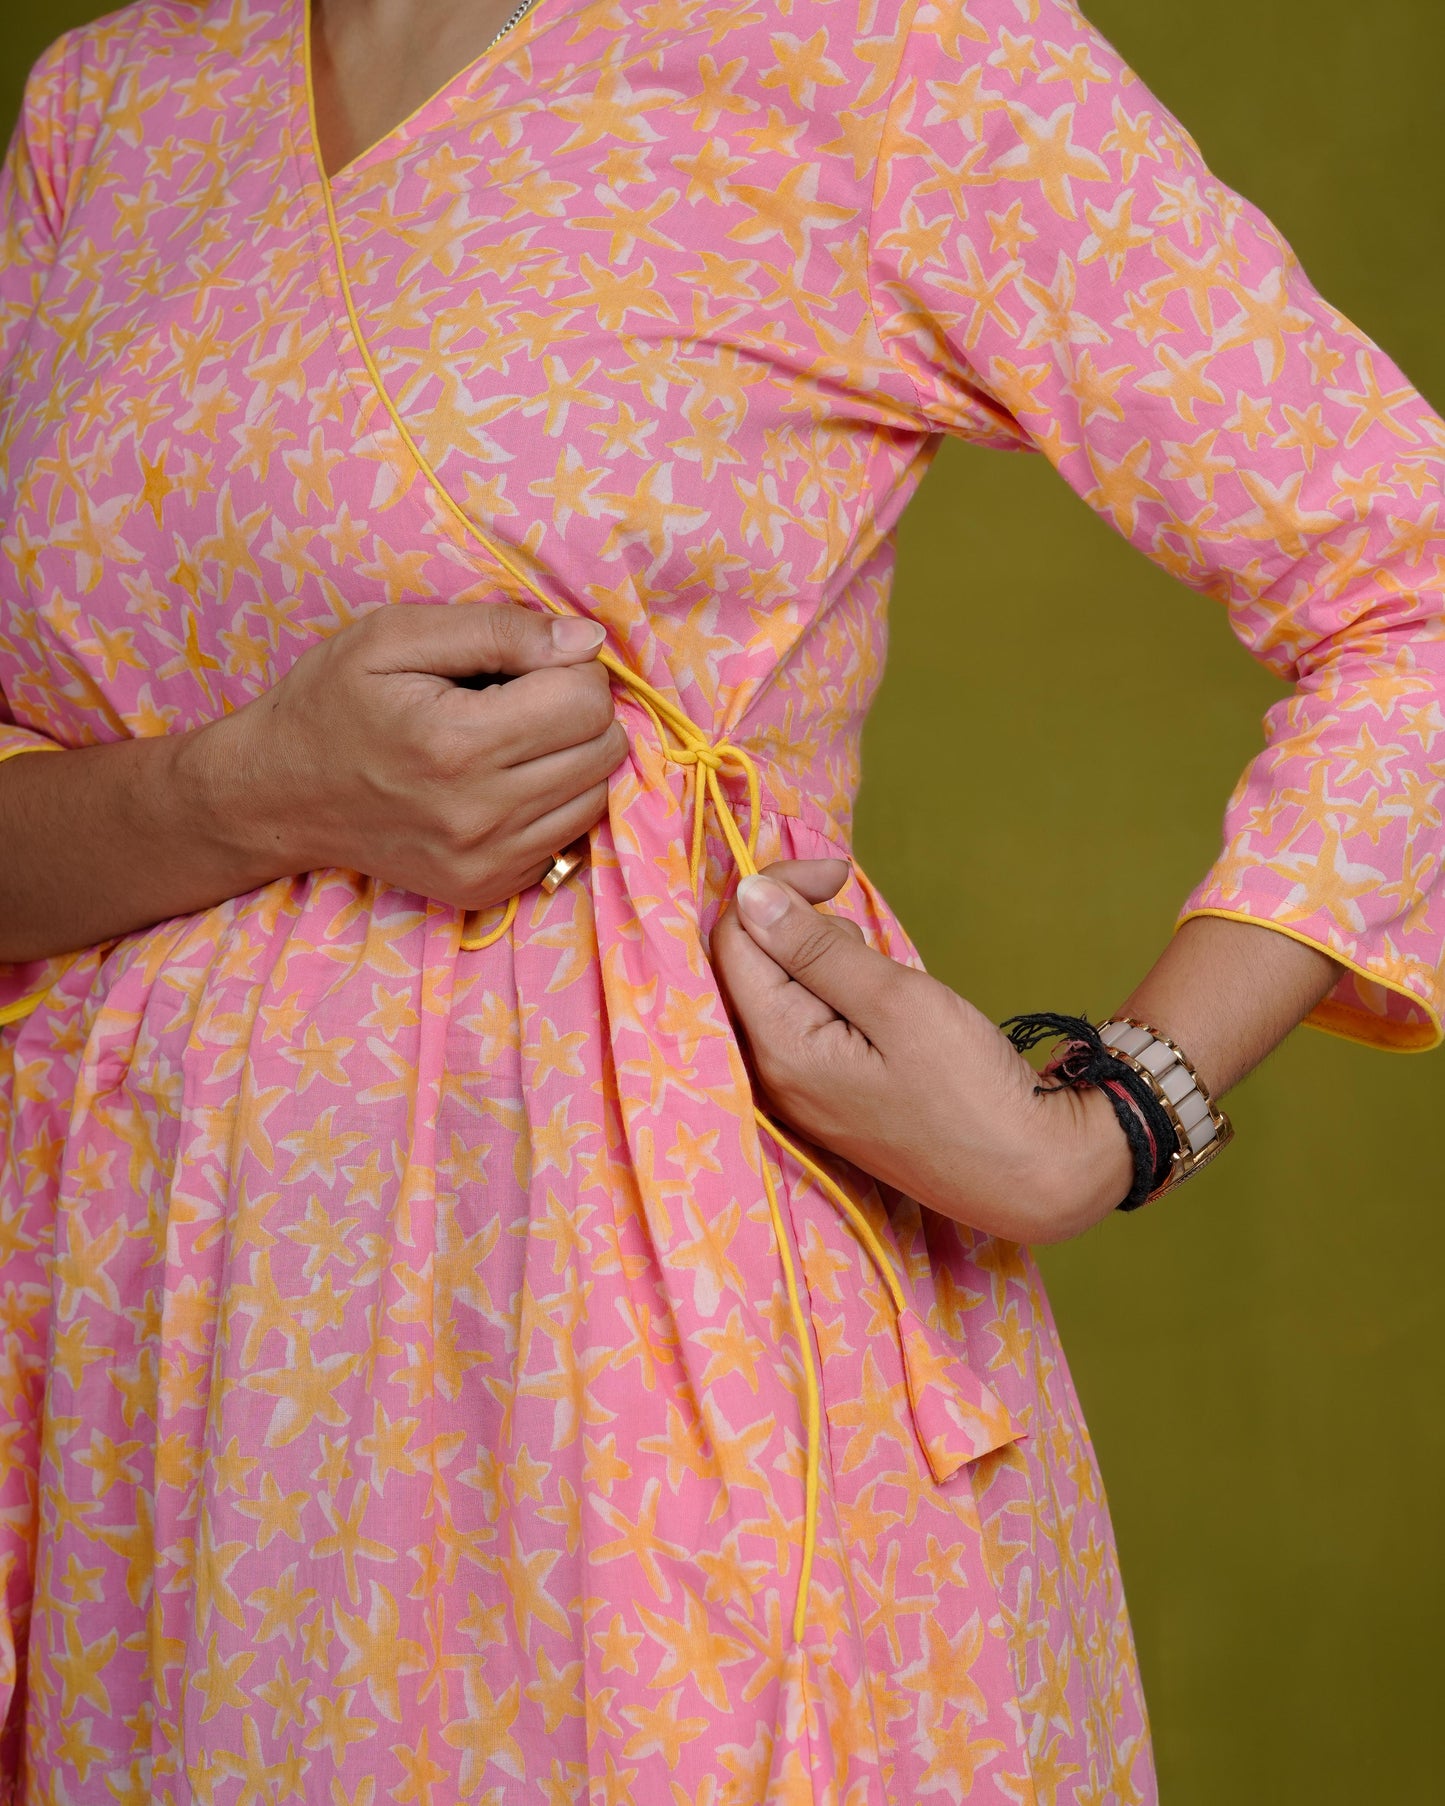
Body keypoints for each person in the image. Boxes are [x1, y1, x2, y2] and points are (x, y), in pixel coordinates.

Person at [1, 0, 1439, 1798]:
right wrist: (246, 788)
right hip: (136, 1373)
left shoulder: (879, 46)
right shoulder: (111, 103)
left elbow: (1415, 588)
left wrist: (1109, 1119)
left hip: (620, 1375)